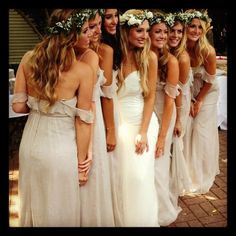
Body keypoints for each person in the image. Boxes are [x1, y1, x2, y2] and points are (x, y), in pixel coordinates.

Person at [12, 9, 94, 226]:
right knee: (59, 208)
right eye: (85, 30)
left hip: (30, 145)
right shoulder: (83, 71)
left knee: (35, 203)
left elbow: (19, 106)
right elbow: (84, 121)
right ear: (72, 35)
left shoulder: (28, 58)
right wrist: (82, 164)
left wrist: (40, 108)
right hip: (60, 149)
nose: (90, 35)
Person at [114, 9, 159, 227]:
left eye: (147, 31)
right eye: (139, 30)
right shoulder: (113, 55)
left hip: (142, 122)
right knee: (120, 178)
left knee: (139, 178)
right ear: (126, 31)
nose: (145, 35)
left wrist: (143, 131)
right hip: (117, 125)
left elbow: (150, 98)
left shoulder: (149, 57)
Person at [77, 9, 115, 226]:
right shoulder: (73, 51)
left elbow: (107, 95)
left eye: (99, 24)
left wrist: (110, 130)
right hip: (74, 118)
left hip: (96, 118)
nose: (97, 30)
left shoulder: (104, 51)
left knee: (93, 169)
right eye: (91, 26)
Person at [149, 10, 181, 226]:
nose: (162, 35)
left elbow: (170, 102)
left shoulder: (171, 62)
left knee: (159, 160)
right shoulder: (143, 56)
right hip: (147, 114)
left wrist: (162, 135)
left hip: (165, 114)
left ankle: (160, 209)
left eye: (164, 31)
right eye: (157, 31)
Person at [184, 9, 219, 194]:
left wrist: (198, 101)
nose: (196, 31)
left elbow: (211, 80)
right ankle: (187, 173)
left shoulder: (207, 51)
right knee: (188, 127)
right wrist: (188, 99)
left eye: (200, 27)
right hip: (190, 91)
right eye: (192, 26)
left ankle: (202, 175)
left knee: (201, 130)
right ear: (185, 27)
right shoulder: (181, 48)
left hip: (208, 92)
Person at [166, 12, 193, 204]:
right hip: (173, 100)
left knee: (175, 143)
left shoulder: (182, 58)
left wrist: (178, 118)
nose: (175, 35)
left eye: (179, 32)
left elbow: (180, 91)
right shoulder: (168, 54)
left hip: (179, 103)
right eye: (172, 31)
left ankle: (172, 187)